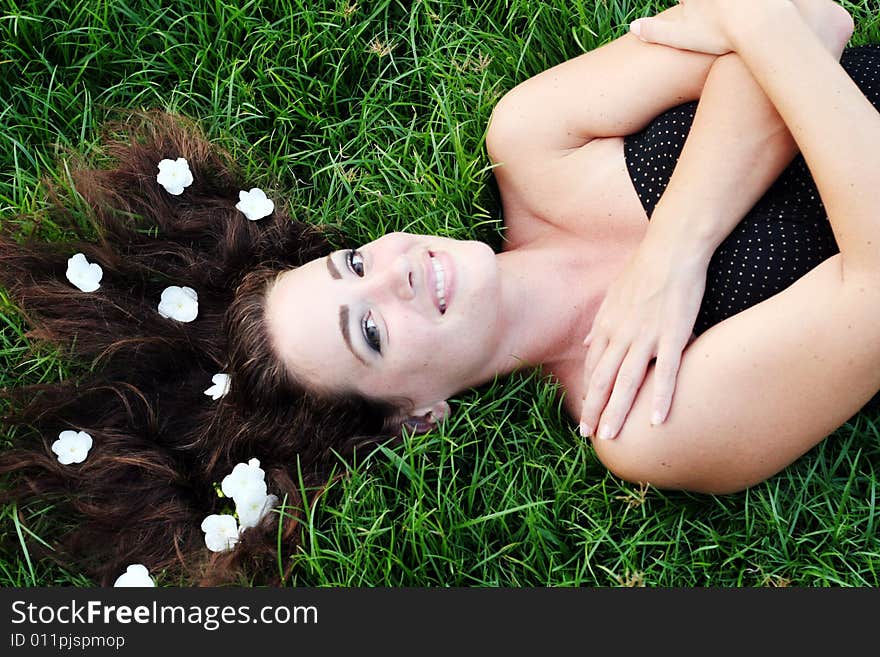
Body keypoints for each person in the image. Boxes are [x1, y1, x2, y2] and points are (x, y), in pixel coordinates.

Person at [1, 0, 877, 585]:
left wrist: (677, 253)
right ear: (418, 414)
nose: (397, 271)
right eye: (372, 331)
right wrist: (751, 34)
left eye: (351, 264)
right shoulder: (640, 417)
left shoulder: (533, 144)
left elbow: (819, 16)